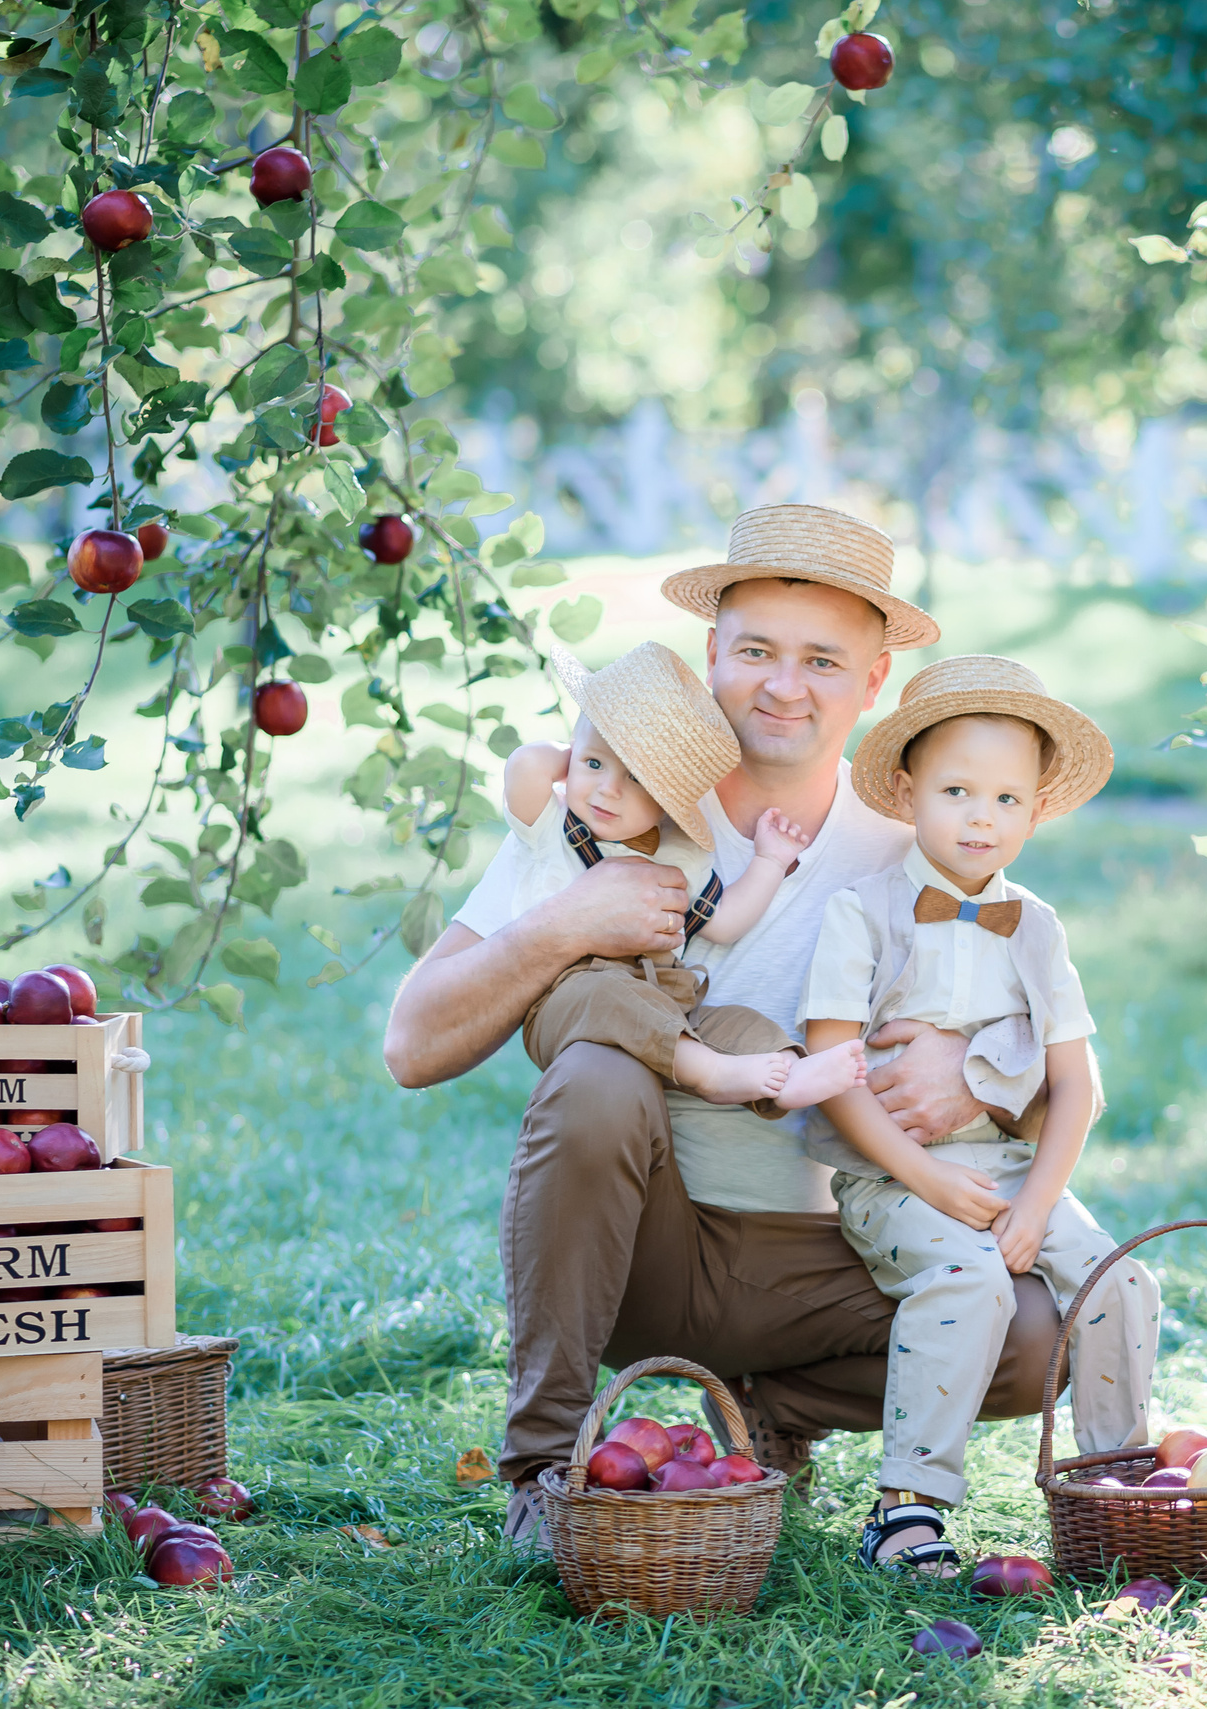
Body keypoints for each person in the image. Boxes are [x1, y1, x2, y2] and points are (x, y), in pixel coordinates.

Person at [383, 504, 1081, 1551]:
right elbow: (412, 1043)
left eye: (821, 660)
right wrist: (565, 919)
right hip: (636, 1246)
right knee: (596, 1076)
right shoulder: (610, 798)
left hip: (826, 1250)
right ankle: (542, 1466)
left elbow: (1054, 1045)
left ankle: (771, 1415)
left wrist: (974, 1073)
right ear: (712, 653)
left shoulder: (920, 842)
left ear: (873, 682)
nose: (782, 685)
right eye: (754, 650)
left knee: (1037, 1332)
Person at [802, 655, 1160, 1573]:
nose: (981, 817)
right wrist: (925, 1175)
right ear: (905, 786)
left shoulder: (1037, 925)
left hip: (1011, 1170)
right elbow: (835, 1068)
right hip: (892, 1172)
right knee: (969, 1280)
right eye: (957, 790)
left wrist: (1038, 1205)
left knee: (1123, 1280)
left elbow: (1078, 1086)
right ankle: (907, 1507)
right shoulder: (863, 913)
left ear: (1037, 810)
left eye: (1007, 799)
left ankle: (1108, 1486)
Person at [502, 641, 867, 1115]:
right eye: (594, 764)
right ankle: (710, 1075)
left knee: (737, 1024)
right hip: (569, 998)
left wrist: (771, 861)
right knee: (608, 993)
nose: (606, 790)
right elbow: (525, 765)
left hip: (670, 1000)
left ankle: (785, 1073)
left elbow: (726, 921)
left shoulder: (679, 855)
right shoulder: (552, 827)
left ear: (667, 802)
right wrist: (588, 746)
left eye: (636, 778)